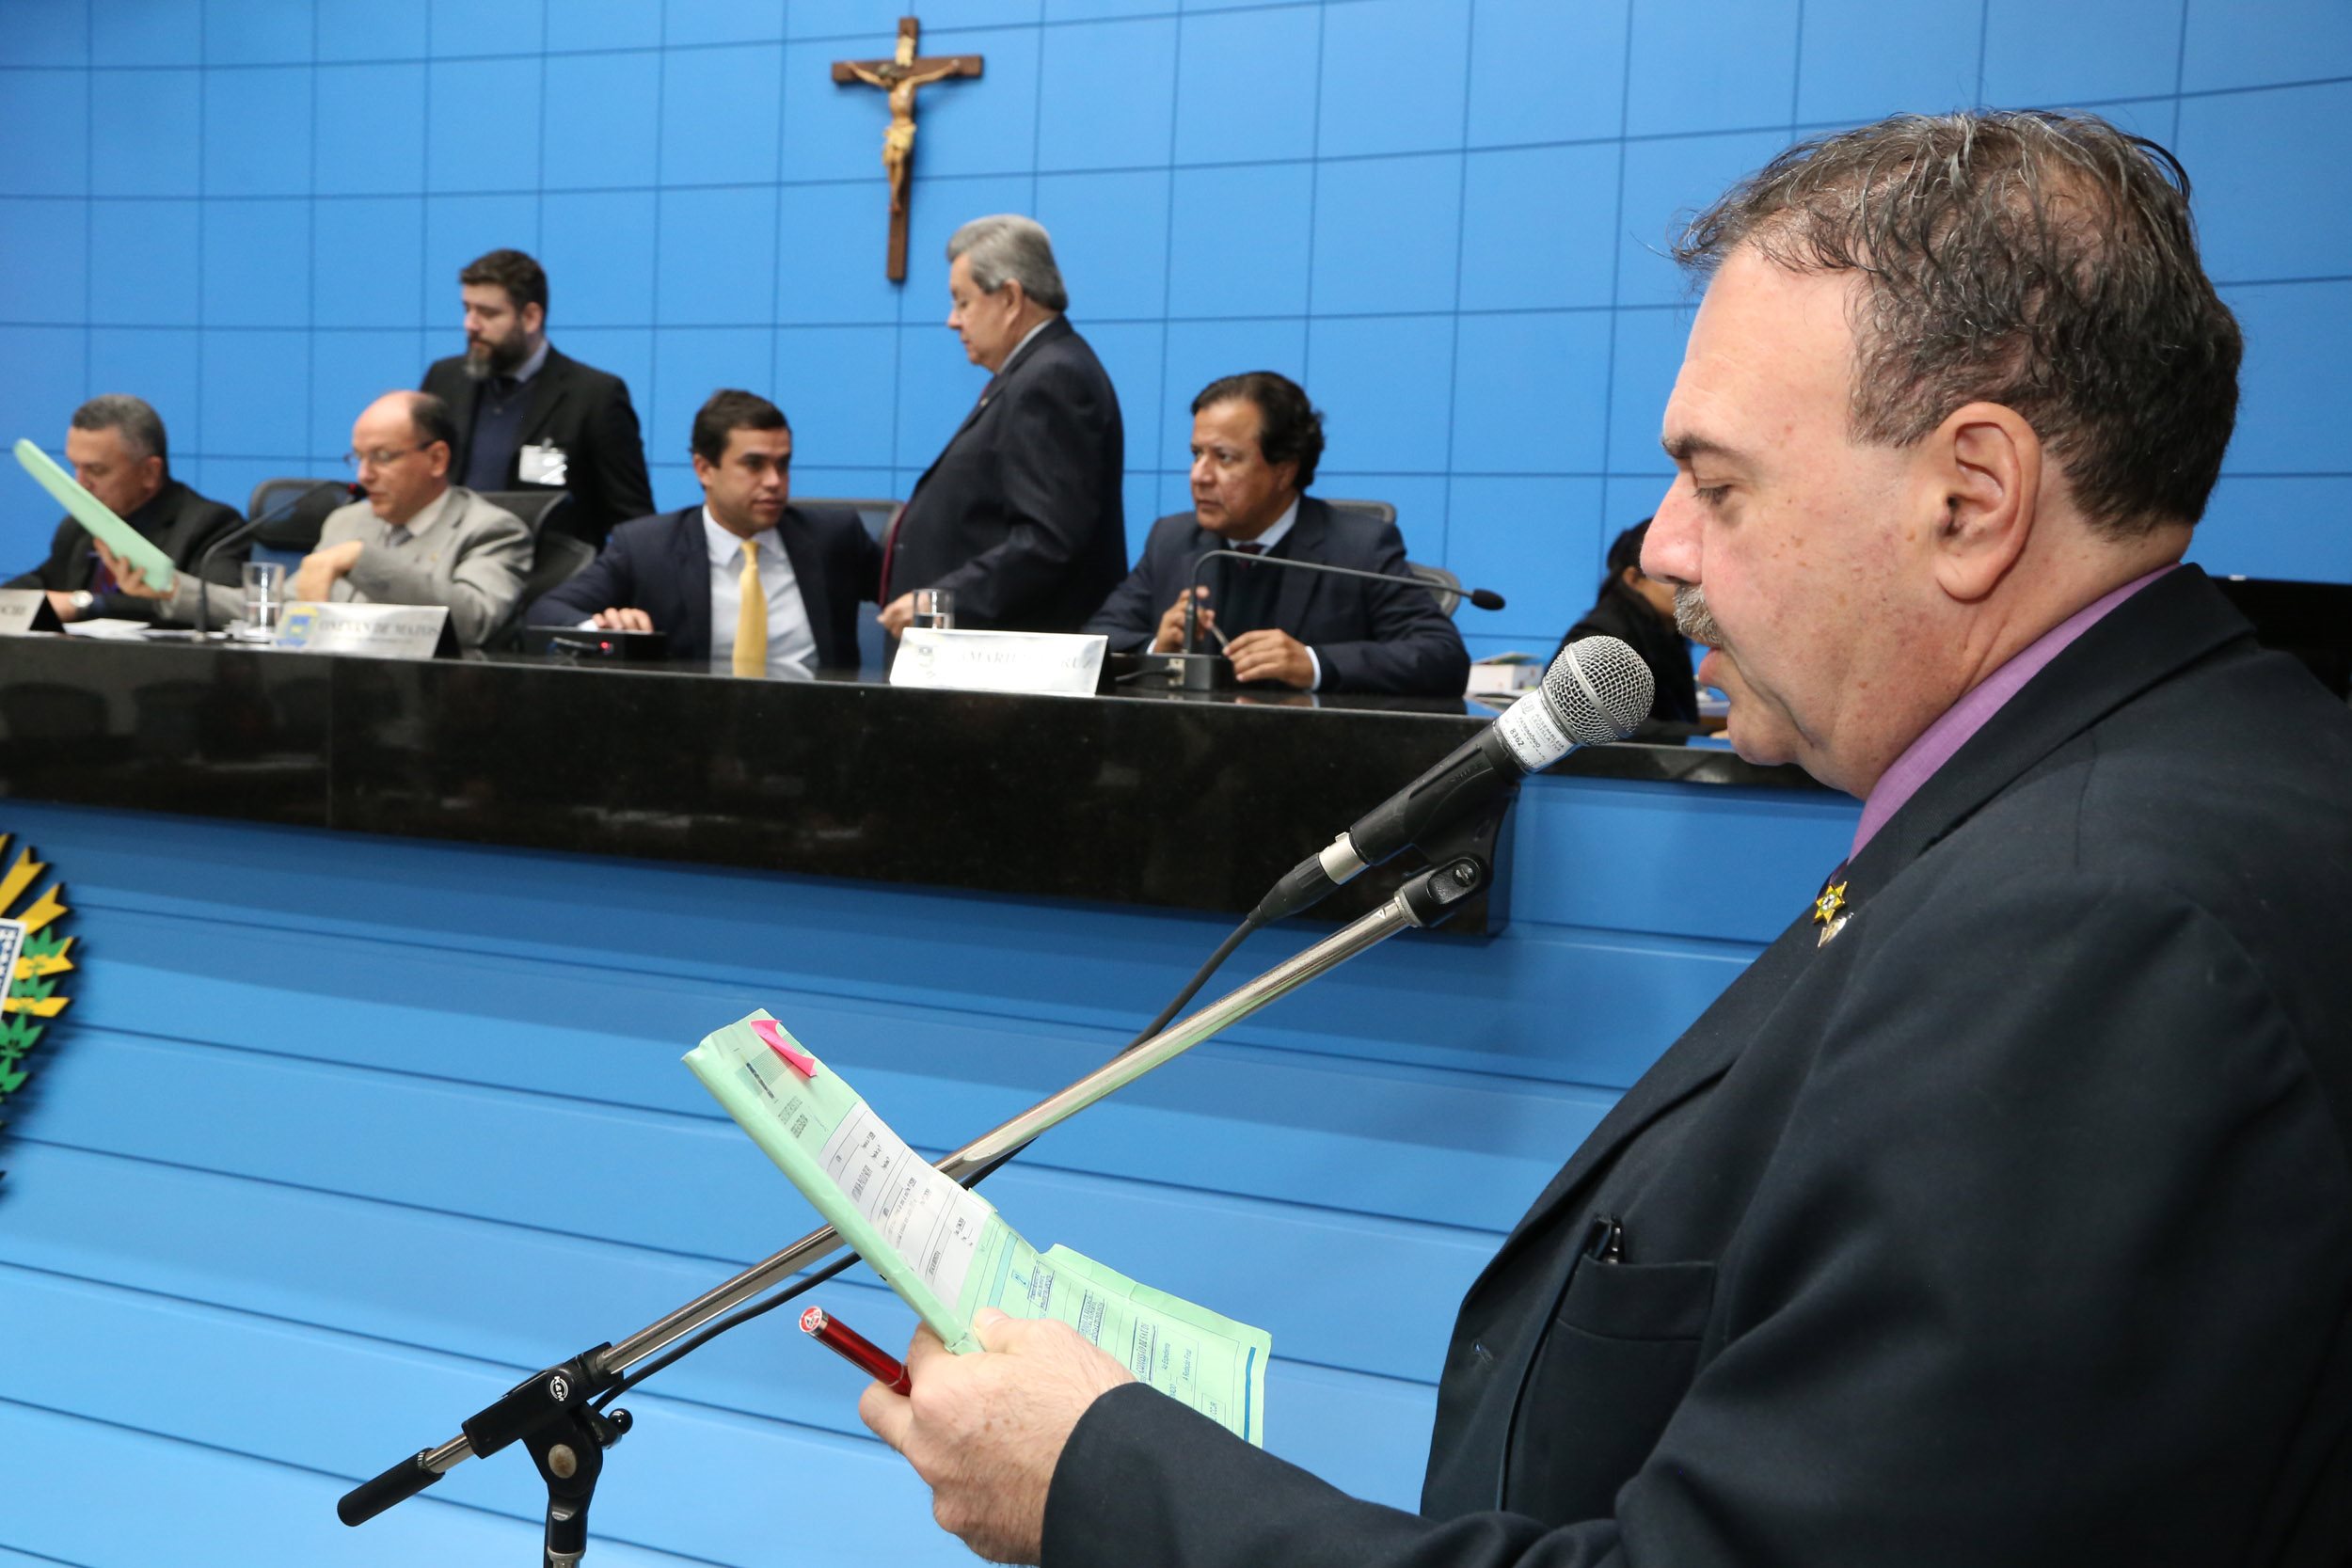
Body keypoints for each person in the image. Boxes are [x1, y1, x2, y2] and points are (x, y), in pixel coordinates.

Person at [850, 111, 2352, 1566]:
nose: (1666, 550)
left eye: (1717, 482)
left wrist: (1103, 1481)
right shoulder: (2145, 782)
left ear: (1971, 499)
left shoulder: (2095, 934)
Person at [1085, 372, 1468, 696]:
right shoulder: (1172, 539)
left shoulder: (1359, 548)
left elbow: (1442, 656)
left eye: (1224, 458)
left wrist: (1313, 663)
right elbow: (1094, 641)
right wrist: (1157, 647)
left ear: (1284, 469)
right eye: (1197, 454)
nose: (1199, 475)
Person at [114, 392, 531, 650]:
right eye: (358, 458)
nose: (364, 475)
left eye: (382, 457)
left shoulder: (490, 530)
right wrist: (173, 588)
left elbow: (473, 622)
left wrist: (361, 559)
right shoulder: (347, 522)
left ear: (437, 458)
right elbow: (279, 610)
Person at [878, 215, 1126, 636]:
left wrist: (939, 604)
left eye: (963, 302)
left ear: (1010, 298)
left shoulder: (1052, 378)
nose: (953, 320)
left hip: (1014, 658)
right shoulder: (1033, 372)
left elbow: (1047, 541)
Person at [524, 389, 881, 674]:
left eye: (782, 464)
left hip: (817, 725)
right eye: (754, 465)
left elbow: (904, 594)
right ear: (704, 469)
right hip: (694, 728)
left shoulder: (834, 538)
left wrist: (911, 604)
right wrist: (601, 630)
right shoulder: (647, 548)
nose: (775, 481)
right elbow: (547, 611)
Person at [419, 248, 654, 549]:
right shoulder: (444, 379)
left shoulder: (594, 396)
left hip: (547, 573)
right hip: (446, 568)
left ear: (530, 317)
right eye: (468, 309)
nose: (471, 324)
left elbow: (633, 521)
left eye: (488, 313)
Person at [7, 394, 243, 624]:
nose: (80, 483)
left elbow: (219, 613)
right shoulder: (78, 526)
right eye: (75, 467)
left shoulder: (212, 526)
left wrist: (86, 604)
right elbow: (43, 583)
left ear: (149, 472)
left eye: (96, 470)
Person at [1554, 519, 1698, 722]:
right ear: (1634, 579)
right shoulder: (1600, 638)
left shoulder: (1668, 634)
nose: (1692, 588)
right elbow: (1592, 722)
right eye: (1678, 578)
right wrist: (1706, 734)